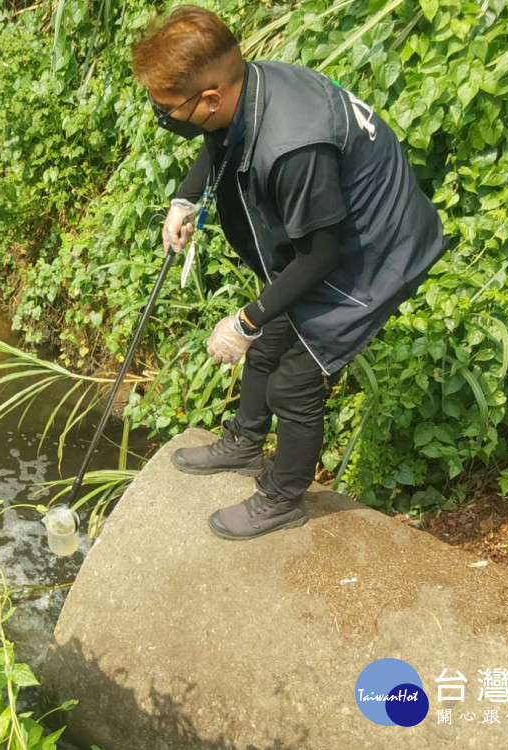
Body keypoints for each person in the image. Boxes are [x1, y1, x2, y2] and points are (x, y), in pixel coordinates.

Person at [130, 5, 448, 540]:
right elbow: (221, 140)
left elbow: (321, 259)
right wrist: (186, 199)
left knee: (296, 380)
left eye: (168, 106)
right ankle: (244, 441)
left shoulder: (293, 145)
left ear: (208, 97)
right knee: (269, 341)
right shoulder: (246, 88)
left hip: (373, 251)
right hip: (330, 233)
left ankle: (282, 498)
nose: (162, 115)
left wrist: (243, 321)